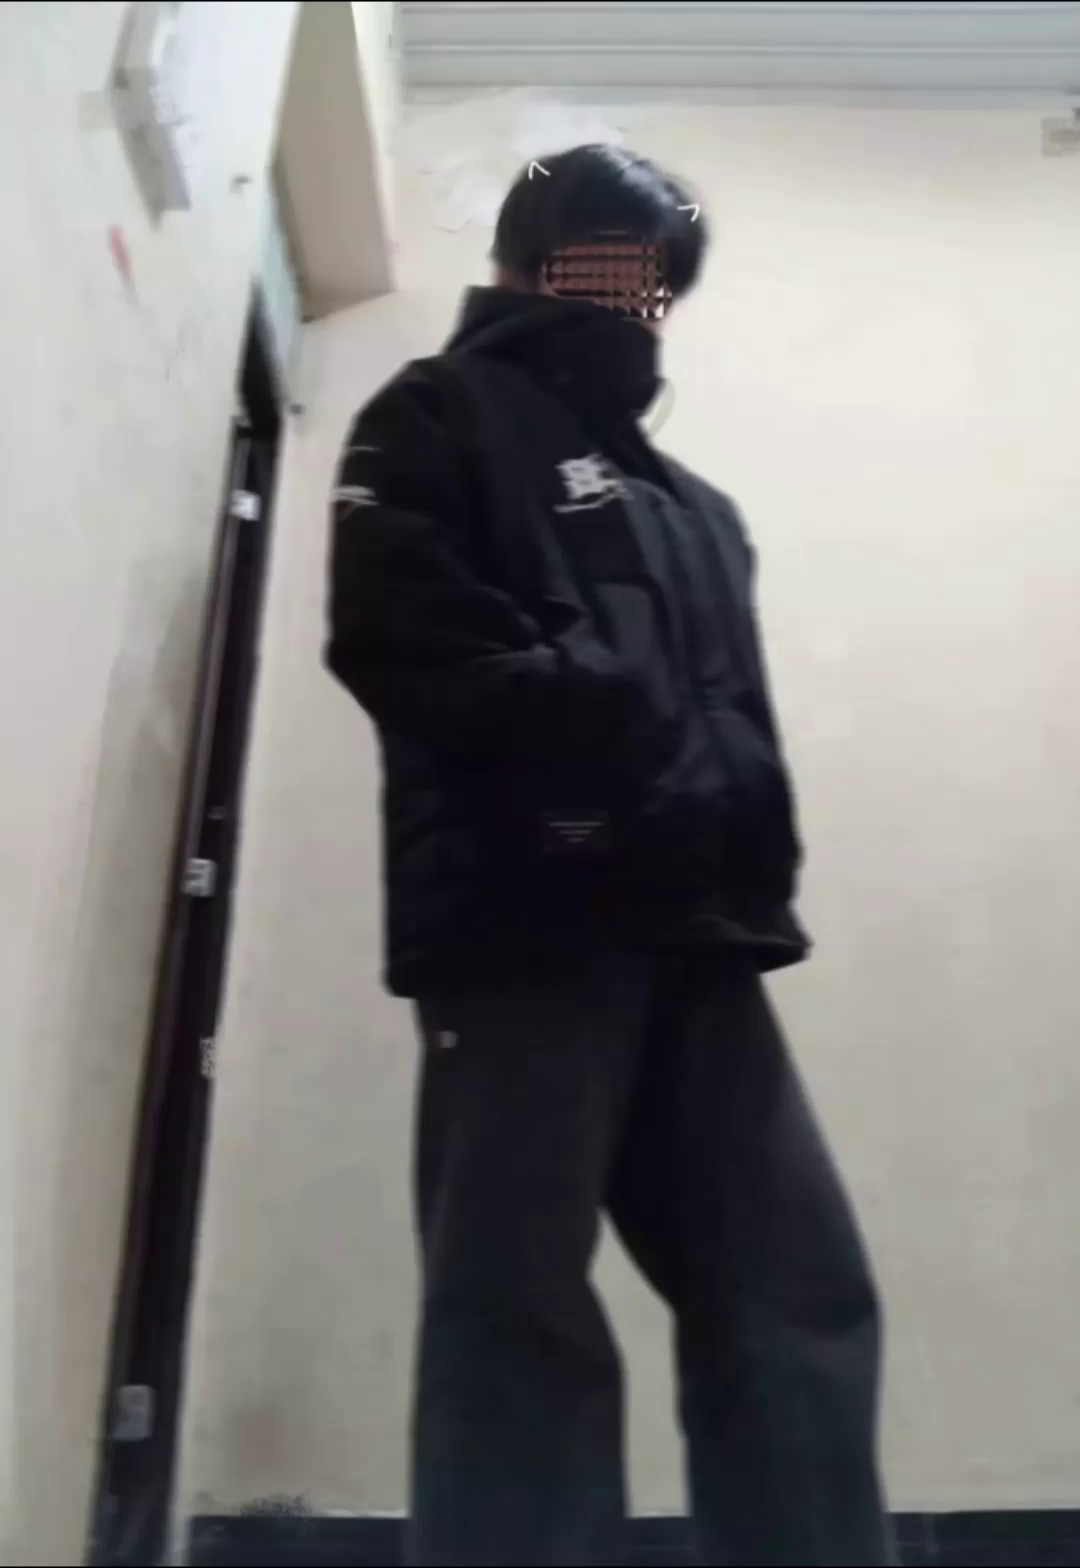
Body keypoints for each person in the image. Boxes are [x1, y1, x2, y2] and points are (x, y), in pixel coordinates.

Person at [326, 144, 892, 1567]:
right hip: (522, 923)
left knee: (799, 1295)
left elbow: (730, 717)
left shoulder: (701, 513)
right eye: (605, 258)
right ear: (529, 256)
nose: (631, 295)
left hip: (703, 935)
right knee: (516, 1313)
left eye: (655, 276)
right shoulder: (435, 412)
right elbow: (400, 641)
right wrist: (605, 722)